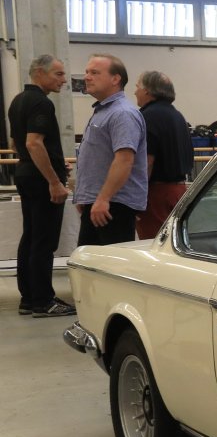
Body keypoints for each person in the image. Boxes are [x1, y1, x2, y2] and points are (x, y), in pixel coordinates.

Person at [8, 54, 73, 317]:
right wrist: (54, 180)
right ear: (39, 73)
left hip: (25, 172)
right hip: (40, 180)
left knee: (31, 237)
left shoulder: (18, 101)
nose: (64, 80)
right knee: (44, 240)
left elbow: (16, 144)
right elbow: (34, 143)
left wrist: (54, 161)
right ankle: (43, 301)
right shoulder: (41, 103)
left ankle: (29, 298)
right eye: (58, 74)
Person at [73, 53, 147, 247]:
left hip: (112, 205)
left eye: (94, 72)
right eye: (87, 72)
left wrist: (103, 199)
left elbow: (124, 160)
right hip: (99, 202)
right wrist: (86, 196)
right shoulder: (104, 111)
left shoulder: (122, 113)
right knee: (88, 261)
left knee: (109, 261)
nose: (87, 77)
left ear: (115, 79)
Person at [133, 71, 194, 241]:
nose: (135, 92)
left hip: (156, 194)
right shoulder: (177, 115)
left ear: (147, 90)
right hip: (179, 191)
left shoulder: (148, 116)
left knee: (154, 243)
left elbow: (146, 162)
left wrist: (137, 197)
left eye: (137, 87)